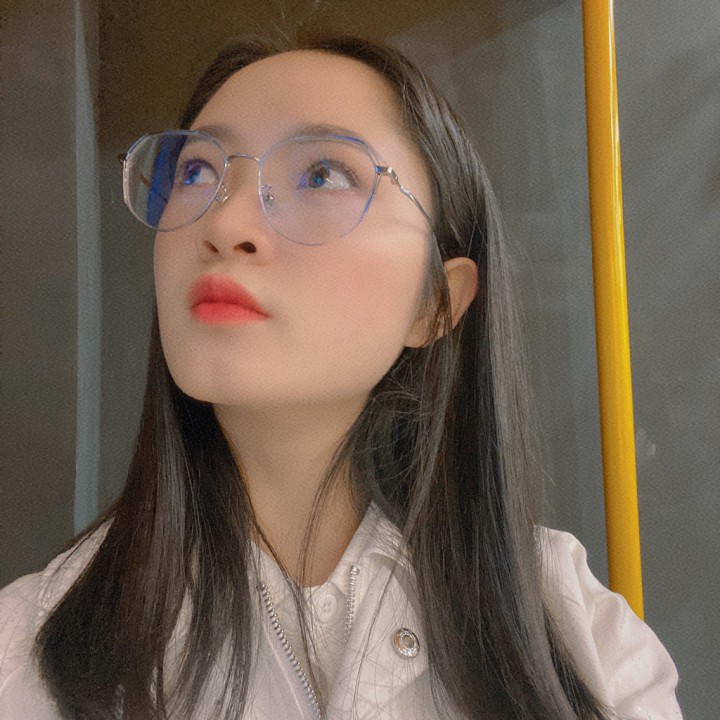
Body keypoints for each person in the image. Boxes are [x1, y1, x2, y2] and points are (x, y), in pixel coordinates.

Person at [0, 34, 683, 720]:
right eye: (197, 172)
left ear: (436, 303)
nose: (225, 223)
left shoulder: (579, 639)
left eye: (323, 174)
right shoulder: (24, 655)